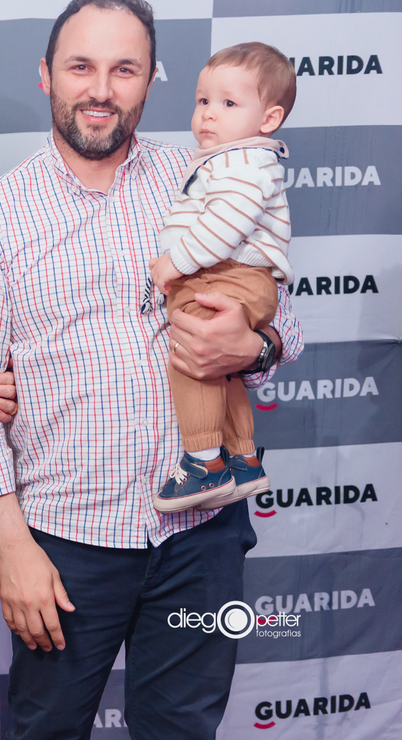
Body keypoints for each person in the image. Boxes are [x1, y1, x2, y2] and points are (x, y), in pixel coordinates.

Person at [0, 0, 303, 739]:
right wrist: (13, 548)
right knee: (47, 730)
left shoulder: (206, 180)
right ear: (46, 74)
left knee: (183, 729)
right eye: (81, 66)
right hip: (66, 546)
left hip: (202, 538)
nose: (101, 89)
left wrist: (254, 346)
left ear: (150, 79)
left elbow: (283, 321)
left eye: (124, 69)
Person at [149, 42, 297, 512]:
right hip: (233, 276)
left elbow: (223, 226)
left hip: (228, 276)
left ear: (269, 118)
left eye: (229, 103)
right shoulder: (230, 159)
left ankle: (203, 463)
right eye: (203, 100)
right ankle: (243, 458)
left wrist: (174, 263)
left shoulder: (243, 162)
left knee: (190, 354)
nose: (209, 114)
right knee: (219, 367)